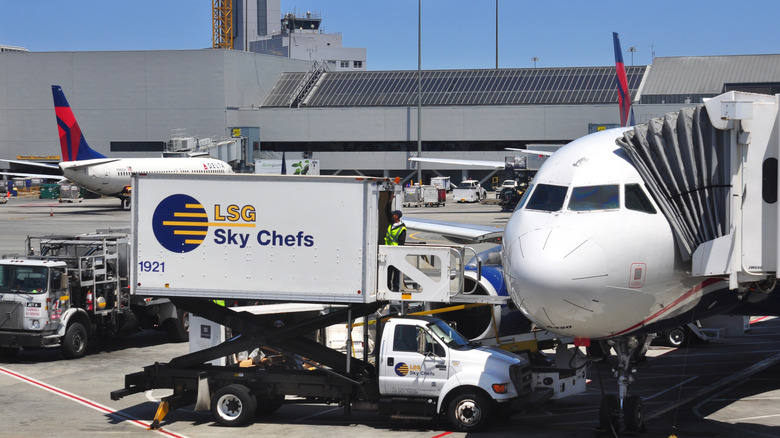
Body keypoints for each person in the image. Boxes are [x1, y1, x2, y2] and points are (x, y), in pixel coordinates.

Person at [384, 199, 407, 291]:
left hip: (396, 251)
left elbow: (401, 242)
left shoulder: (402, 228)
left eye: (393, 214)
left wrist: (398, 252)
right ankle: (388, 286)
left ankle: (396, 287)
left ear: (396, 217)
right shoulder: (391, 223)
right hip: (387, 251)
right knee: (388, 271)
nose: (392, 215)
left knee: (396, 271)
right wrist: (390, 200)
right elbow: (387, 211)